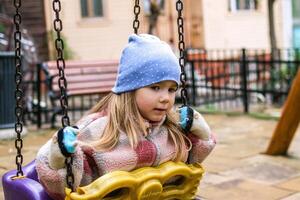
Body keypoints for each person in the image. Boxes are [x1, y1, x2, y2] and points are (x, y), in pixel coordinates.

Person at [36, 34, 216, 200]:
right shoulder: (98, 131)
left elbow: (192, 162)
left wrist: (202, 134)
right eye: (155, 87)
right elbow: (64, 189)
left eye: (171, 89)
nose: (165, 98)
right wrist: (59, 158)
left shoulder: (171, 128)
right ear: (130, 89)